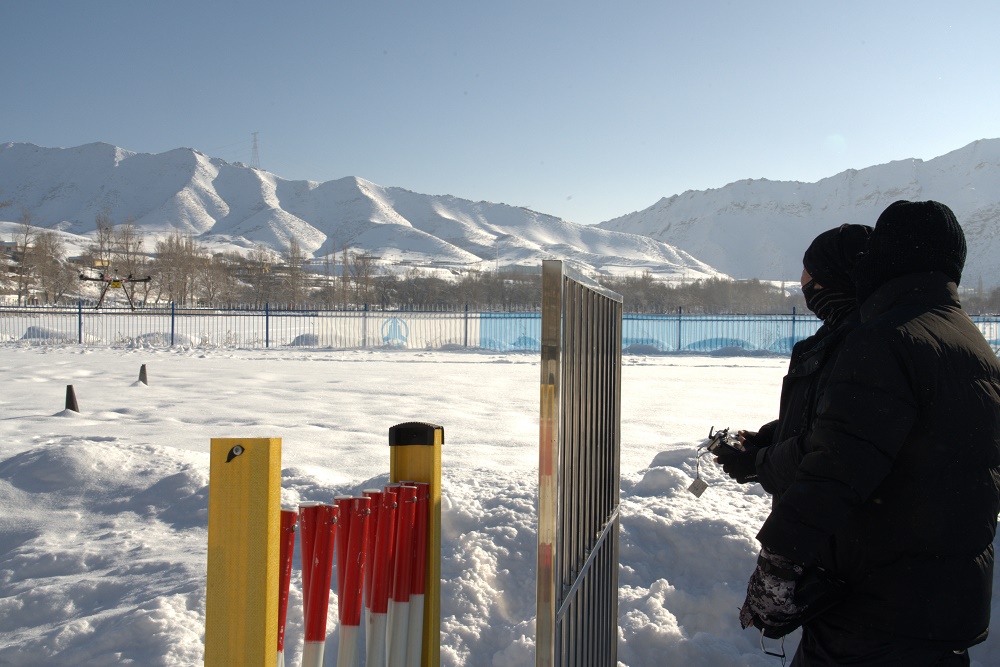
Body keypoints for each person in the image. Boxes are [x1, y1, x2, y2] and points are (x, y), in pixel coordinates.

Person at [739, 200, 1000, 666]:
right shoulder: (972, 342)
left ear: (888, 256)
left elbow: (838, 464)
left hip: (874, 611)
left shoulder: (887, 337)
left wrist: (778, 561)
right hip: (943, 609)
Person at [716, 223, 872, 496]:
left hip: (827, 524)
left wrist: (759, 463)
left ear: (831, 277)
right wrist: (773, 437)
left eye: (810, 274)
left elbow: (837, 450)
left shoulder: (862, 344)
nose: (804, 283)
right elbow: (826, 419)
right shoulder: (834, 336)